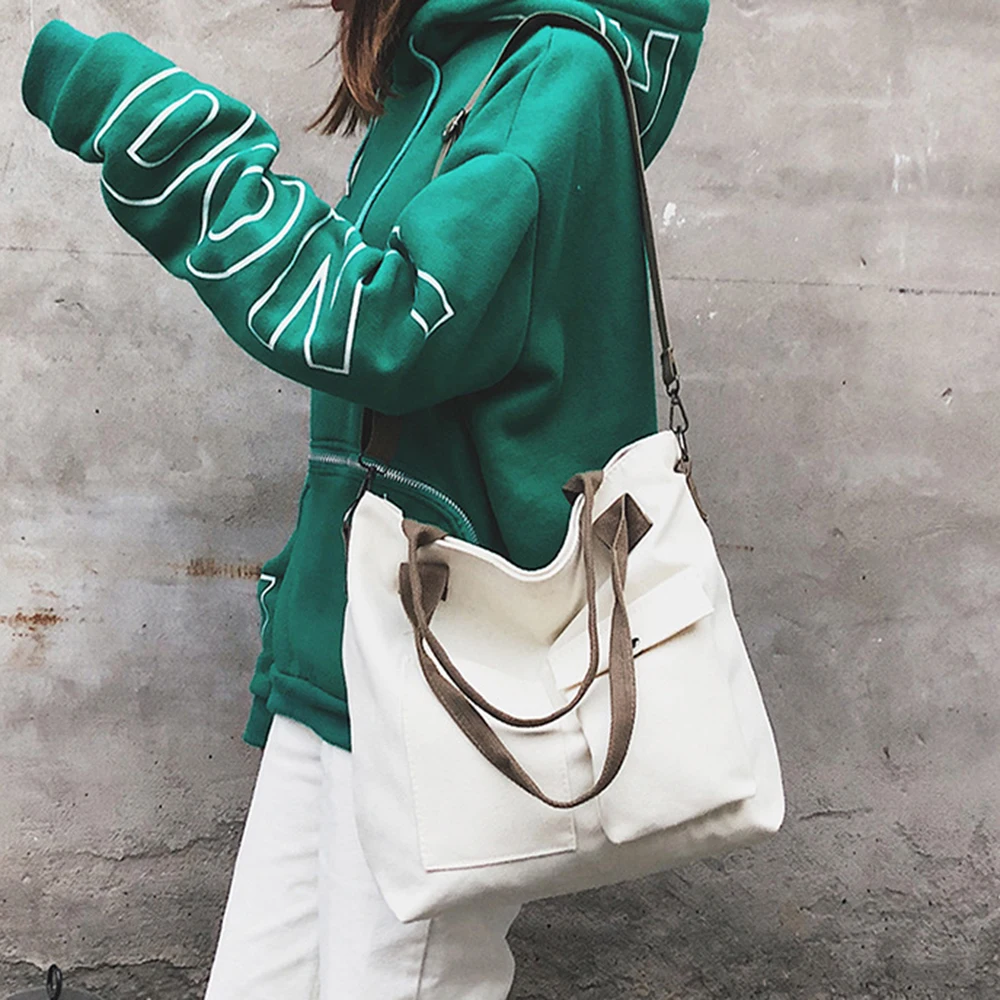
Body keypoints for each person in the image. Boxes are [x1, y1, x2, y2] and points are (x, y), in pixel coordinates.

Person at [20, 0, 708, 993]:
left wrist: (155, 126)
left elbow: (390, 326)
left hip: (450, 680)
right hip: (348, 647)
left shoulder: (556, 68)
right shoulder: (449, 68)